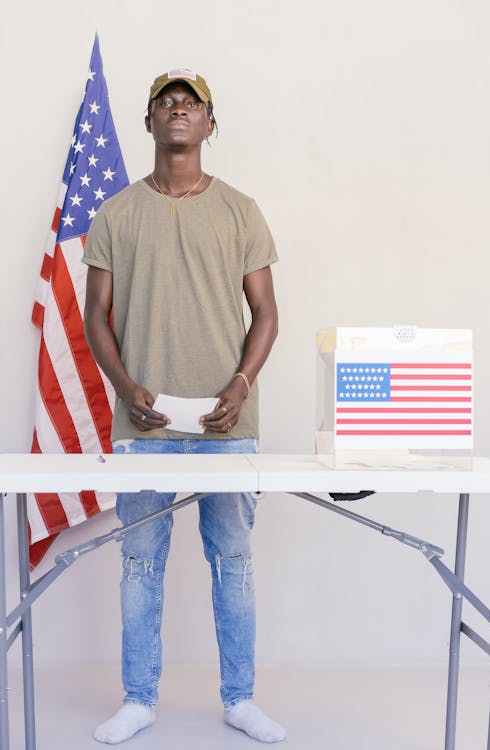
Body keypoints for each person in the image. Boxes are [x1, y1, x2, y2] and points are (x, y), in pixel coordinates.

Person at [83, 68, 284, 745]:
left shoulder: (240, 209)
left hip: (227, 423)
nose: (177, 110)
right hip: (147, 422)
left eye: (189, 102)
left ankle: (240, 699)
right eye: (164, 102)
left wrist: (243, 384)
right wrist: (123, 385)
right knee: (140, 563)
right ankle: (139, 699)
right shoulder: (115, 211)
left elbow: (266, 313)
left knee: (233, 561)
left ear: (209, 123)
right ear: (149, 124)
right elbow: (95, 316)